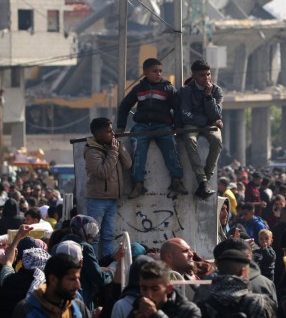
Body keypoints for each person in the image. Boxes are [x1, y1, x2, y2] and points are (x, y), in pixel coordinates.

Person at [116, 58, 186, 199]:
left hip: (163, 126)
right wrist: (121, 127)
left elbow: (177, 109)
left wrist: (178, 126)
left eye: (160, 71)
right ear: (145, 73)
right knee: (137, 152)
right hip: (142, 127)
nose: (158, 74)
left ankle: (177, 180)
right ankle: (138, 184)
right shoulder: (139, 89)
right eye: (154, 71)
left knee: (171, 149)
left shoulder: (168, 88)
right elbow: (124, 106)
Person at [84, 117, 132, 257]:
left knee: (108, 236)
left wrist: (118, 148)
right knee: (93, 237)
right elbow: (103, 172)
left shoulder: (112, 147)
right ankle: (92, 265)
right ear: (99, 135)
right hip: (97, 200)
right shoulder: (92, 151)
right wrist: (113, 152)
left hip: (112, 199)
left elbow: (128, 164)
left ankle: (106, 263)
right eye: (109, 131)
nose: (113, 134)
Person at [179, 60, 222, 199]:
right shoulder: (186, 90)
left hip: (209, 126)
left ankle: (205, 181)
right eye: (202, 75)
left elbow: (216, 114)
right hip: (193, 124)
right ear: (194, 76)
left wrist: (208, 96)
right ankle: (201, 179)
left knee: (217, 140)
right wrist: (207, 120)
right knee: (190, 139)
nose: (207, 78)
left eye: (208, 74)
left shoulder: (216, 90)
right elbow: (185, 114)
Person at [12, 253, 90, 318]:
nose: (78, 285)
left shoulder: (78, 308)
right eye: (72, 279)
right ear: (53, 280)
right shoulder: (26, 310)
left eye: (78, 279)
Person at [131, 260, 201, 318]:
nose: (149, 295)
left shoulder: (188, 310)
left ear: (169, 288)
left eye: (155, 289)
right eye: (144, 288)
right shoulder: (139, 306)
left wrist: (156, 315)